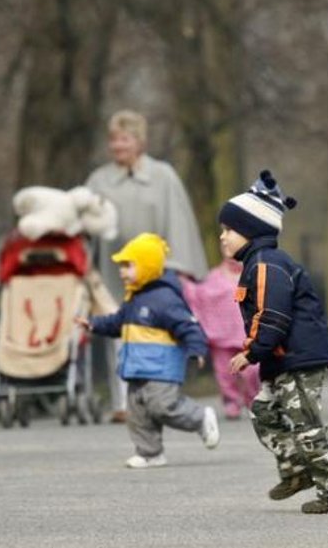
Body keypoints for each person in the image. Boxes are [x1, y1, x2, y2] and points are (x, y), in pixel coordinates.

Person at [222, 170, 328, 514]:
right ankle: (296, 470)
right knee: (264, 411)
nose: (222, 237)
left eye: (229, 230)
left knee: (306, 425)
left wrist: (250, 353)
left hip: (299, 358)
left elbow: (273, 316)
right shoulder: (256, 264)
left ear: (251, 231)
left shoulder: (268, 265)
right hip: (281, 359)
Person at [86, 109, 209, 423]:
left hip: (155, 273)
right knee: (118, 328)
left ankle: (159, 394)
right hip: (114, 270)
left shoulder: (163, 176)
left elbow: (178, 221)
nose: (117, 146)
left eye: (124, 139)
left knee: (153, 332)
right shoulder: (99, 180)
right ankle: (123, 402)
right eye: (113, 139)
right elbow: (84, 219)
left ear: (139, 141)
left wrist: (178, 266)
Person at [78, 232, 220, 468]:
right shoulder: (133, 298)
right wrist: (93, 324)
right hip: (136, 368)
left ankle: (200, 418)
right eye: (121, 266)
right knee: (137, 413)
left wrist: (197, 349)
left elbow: (188, 325)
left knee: (163, 407)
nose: (122, 271)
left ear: (147, 267)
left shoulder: (164, 299)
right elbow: (117, 323)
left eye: (128, 266)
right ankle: (150, 452)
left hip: (161, 368)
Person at [184, 257, 261, 420]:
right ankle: (231, 401)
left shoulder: (254, 275)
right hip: (221, 335)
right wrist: (187, 285)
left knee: (252, 371)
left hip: (248, 335)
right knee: (225, 373)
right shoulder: (214, 276)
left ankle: (252, 398)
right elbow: (199, 296)